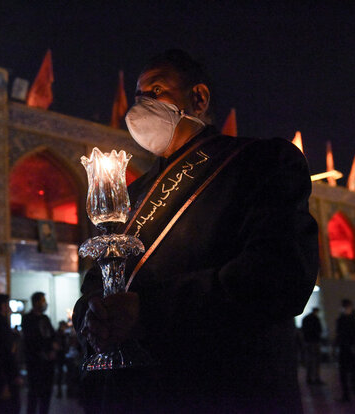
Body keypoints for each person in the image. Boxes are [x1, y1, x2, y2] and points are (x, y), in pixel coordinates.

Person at [73, 49, 319, 413]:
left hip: (225, 391)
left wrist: (147, 312)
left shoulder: (259, 161)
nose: (141, 105)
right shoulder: (134, 192)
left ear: (199, 98)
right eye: (138, 96)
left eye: (155, 90)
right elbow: (98, 280)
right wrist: (91, 317)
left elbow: (279, 276)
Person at [22, 291, 57, 414]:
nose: (44, 304)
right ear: (36, 302)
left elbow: (52, 335)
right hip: (35, 362)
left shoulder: (45, 318)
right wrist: (46, 349)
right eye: (42, 301)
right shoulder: (27, 319)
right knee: (34, 394)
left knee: (46, 395)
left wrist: (53, 348)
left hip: (48, 364)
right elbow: (32, 340)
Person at [335, 299, 355, 403]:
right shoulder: (351, 318)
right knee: (353, 372)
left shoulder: (344, 318)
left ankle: (351, 395)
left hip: (348, 347)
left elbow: (339, 333)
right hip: (351, 347)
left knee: (351, 373)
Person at [301, 307, 324, 385]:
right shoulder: (316, 319)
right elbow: (319, 330)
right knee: (316, 361)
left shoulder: (305, 318)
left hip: (307, 342)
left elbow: (303, 330)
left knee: (309, 360)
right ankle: (316, 378)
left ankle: (309, 378)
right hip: (315, 341)